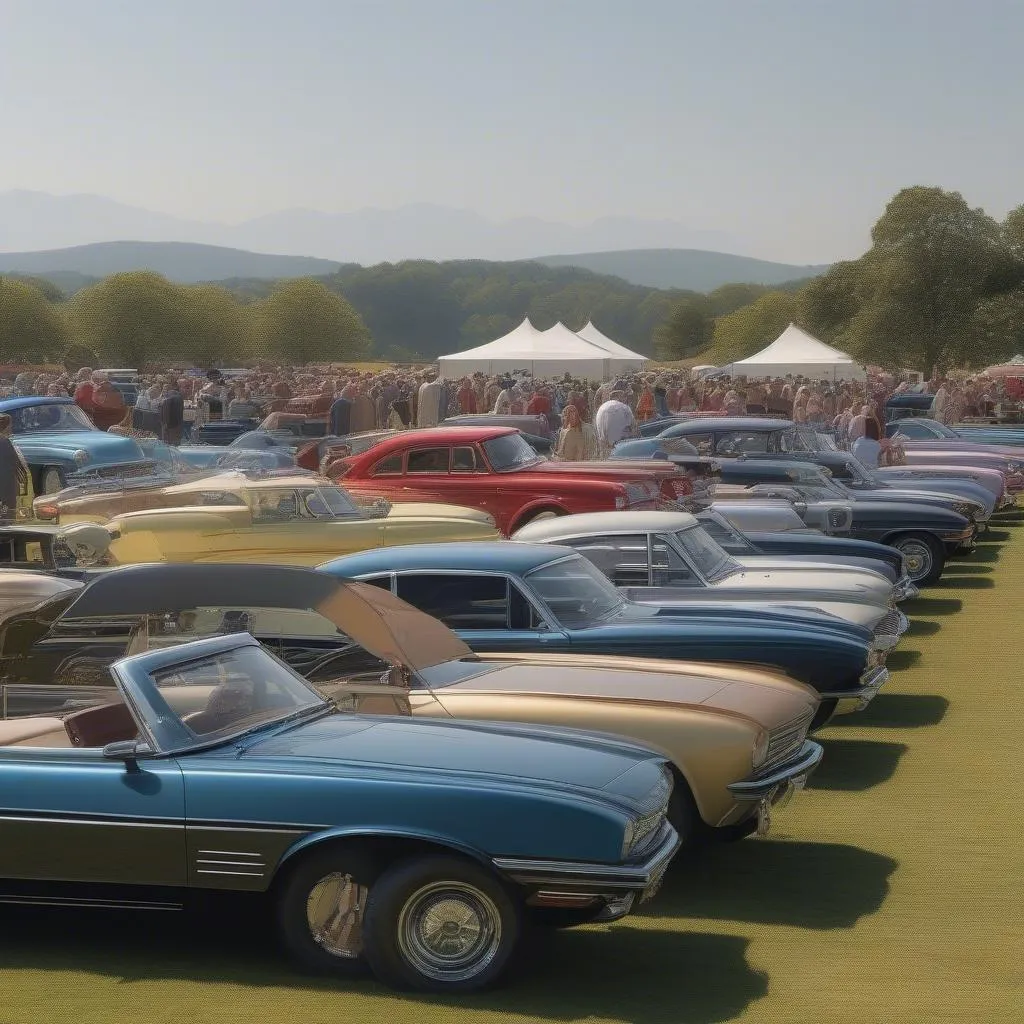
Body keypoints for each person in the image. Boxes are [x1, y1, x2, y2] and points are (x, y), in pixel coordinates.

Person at [0, 414, 29, 525]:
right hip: (6, 487)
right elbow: (15, 464)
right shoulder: (5, 442)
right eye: (10, 425)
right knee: (7, 519)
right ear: (5, 426)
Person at [594, 392, 636, 457]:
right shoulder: (624, 408)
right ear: (618, 397)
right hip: (622, 448)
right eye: (623, 397)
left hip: (605, 447)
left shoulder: (602, 408)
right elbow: (633, 427)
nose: (625, 399)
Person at [160, 379, 185, 445]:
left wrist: (165, 423)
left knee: (168, 441)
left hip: (169, 423)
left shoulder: (168, 397)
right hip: (178, 422)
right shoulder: (179, 396)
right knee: (176, 440)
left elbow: (165, 410)